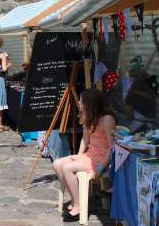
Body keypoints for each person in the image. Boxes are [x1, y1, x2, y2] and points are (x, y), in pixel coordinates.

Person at [53, 89, 116, 222]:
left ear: (91, 103)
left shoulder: (107, 119)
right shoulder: (89, 117)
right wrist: (78, 156)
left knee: (67, 168)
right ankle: (77, 199)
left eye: (82, 102)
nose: (79, 104)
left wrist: (99, 169)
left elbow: (113, 148)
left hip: (101, 159)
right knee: (57, 163)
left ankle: (78, 207)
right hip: (90, 155)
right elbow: (85, 140)